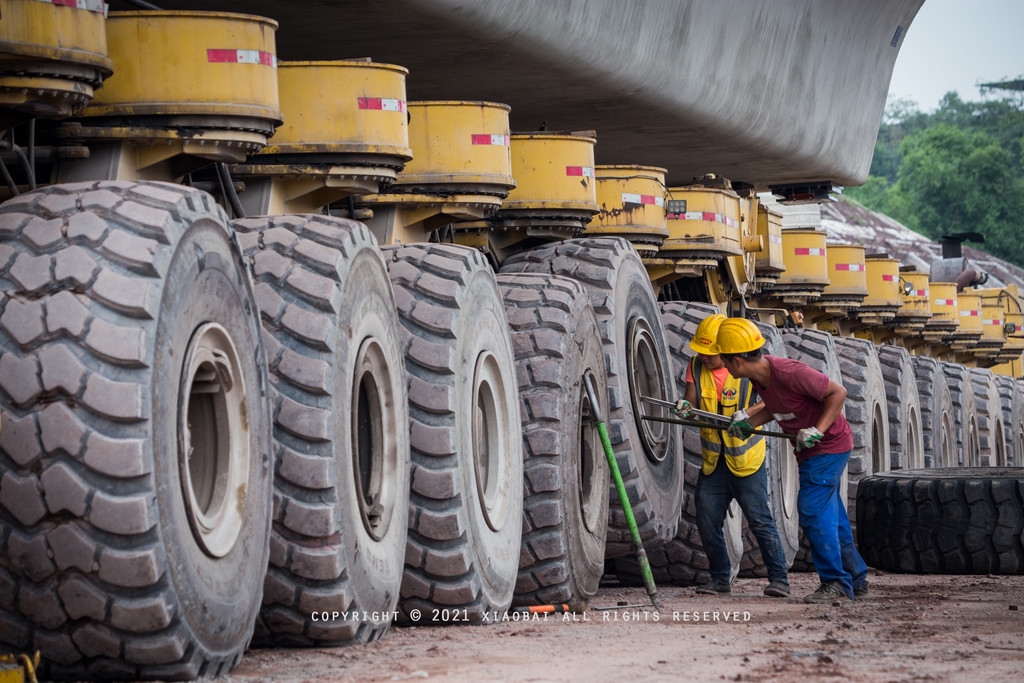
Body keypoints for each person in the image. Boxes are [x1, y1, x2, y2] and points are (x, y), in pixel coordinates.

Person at [715, 317, 868, 605]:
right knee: (831, 518)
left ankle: (836, 582)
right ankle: (856, 578)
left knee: (811, 511)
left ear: (736, 361)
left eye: (723, 358)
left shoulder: (788, 372)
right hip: (813, 450)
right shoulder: (760, 379)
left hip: (828, 446)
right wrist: (750, 423)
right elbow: (779, 408)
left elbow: (838, 393)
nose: (721, 364)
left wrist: (817, 429)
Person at [676, 313, 790, 599]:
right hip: (714, 463)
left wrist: (748, 414)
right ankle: (719, 579)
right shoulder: (696, 366)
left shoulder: (744, 369)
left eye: (711, 355)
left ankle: (779, 580)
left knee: (760, 520)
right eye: (700, 352)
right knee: (706, 518)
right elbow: (692, 401)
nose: (705, 358)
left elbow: (772, 400)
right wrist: (684, 407)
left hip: (746, 462)